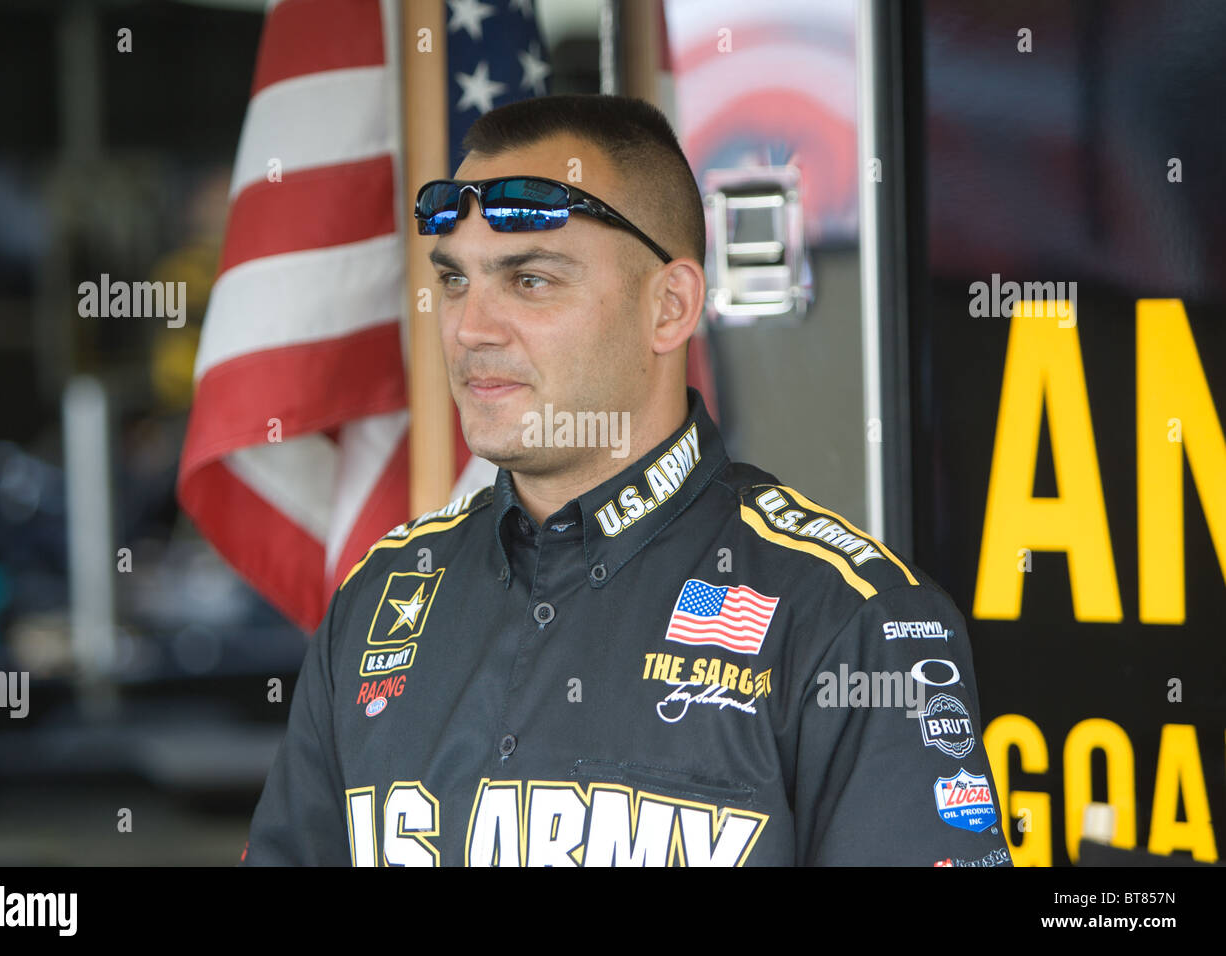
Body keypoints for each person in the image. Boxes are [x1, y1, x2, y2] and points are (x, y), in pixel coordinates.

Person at [241, 94, 1013, 867]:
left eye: (530, 280)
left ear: (669, 307)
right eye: (454, 281)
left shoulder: (851, 626)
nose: (470, 328)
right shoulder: (379, 597)